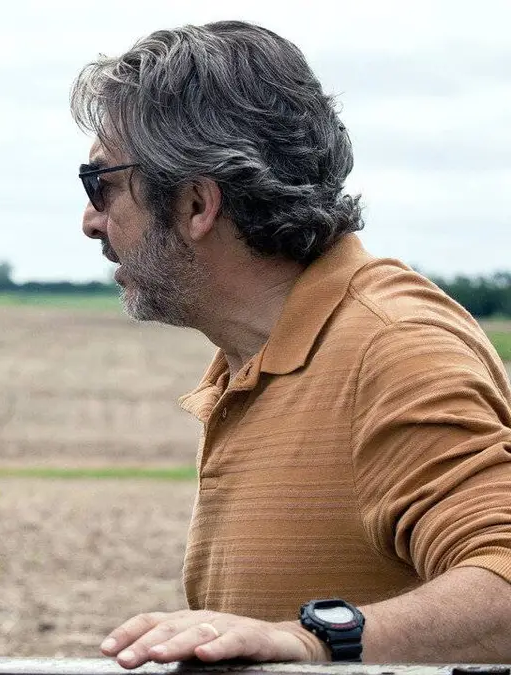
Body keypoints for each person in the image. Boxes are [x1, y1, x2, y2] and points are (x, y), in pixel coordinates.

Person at [70, 21, 511, 666]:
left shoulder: (393, 347)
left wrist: (309, 640)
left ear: (196, 203)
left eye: (100, 184)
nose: (90, 220)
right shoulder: (257, 356)